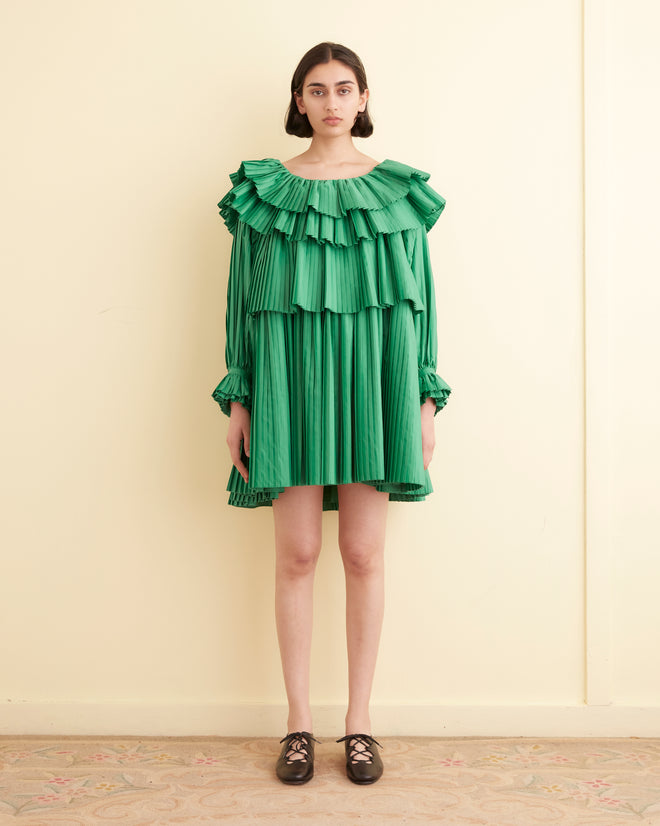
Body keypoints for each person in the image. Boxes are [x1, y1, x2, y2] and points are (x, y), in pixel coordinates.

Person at [211, 42, 451, 785]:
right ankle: (297, 724)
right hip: (285, 379)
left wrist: (424, 398)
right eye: (316, 89)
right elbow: (242, 304)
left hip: (376, 378)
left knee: (363, 555)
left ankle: (359, 724)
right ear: (300, 101)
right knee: (298, 554)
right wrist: (240, 397)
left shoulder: (398, 192)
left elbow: (421, 300)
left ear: (365, 98)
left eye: (344, 88)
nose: (332, 101)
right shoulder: (263, 192)